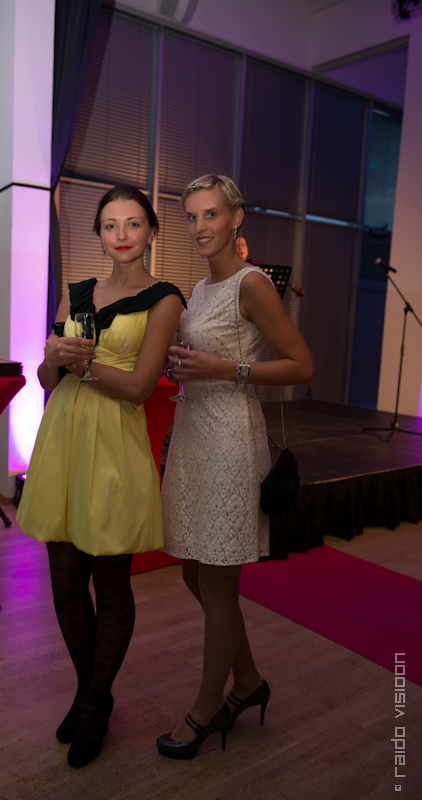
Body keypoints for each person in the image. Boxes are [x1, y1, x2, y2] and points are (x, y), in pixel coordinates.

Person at [16, 185, 185, 769]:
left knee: (110, 582)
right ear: (98, 234)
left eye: (133, 223)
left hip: (114, 444)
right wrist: (53, 358)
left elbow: (139, 387)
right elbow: (48, 381)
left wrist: (83, 368)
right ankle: (92, 695)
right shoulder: (78, 291)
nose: (122, 235)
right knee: (65, 582)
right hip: (64, 440)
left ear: (151, 231)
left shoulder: (165, 298)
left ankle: (93, 707)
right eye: (110, 224)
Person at [157, 174, 314, 760]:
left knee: (218, 582)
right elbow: (205, 356)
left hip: (230, 441)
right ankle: (248, 682)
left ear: (236, 217)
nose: (200, 226)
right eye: (192, 216)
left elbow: (302, 365)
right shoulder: (200, 289)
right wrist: (181, 365)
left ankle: (208, 709)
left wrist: (226, 370)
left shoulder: (252, 284)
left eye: (211, 214)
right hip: (193, 434)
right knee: (193, 574)